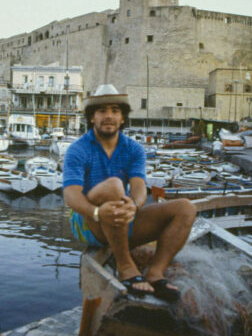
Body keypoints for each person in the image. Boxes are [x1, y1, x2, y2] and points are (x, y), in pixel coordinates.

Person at [63, 84, 196, 301]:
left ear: (123, 118)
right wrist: (97, 213)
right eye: (102, 111)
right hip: (89, 222)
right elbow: (71, 195)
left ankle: (155, 272)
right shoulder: (78, 149)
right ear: (92, 118)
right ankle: (126, 267)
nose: (109, 116)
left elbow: (138, 188)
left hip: (123, 217)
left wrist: (133, 206)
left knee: (186, 208)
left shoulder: (134, 149)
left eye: (115, 111)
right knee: (114, 185)